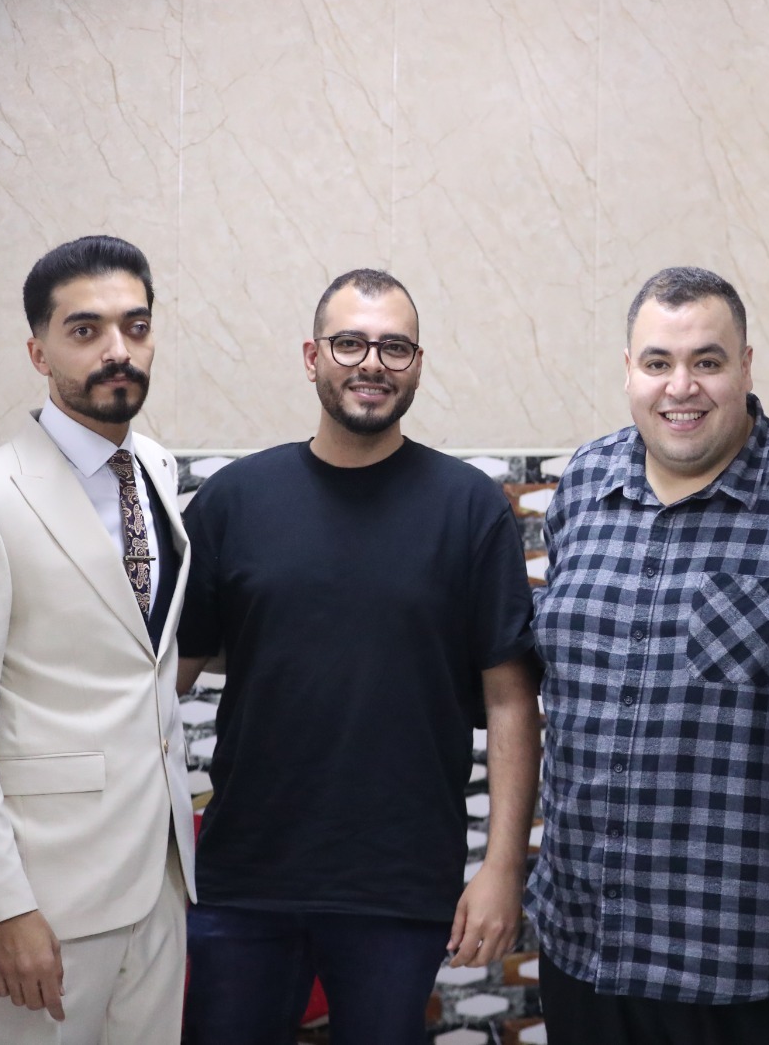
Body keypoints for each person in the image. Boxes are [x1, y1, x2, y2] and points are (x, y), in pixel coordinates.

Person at [176, 269, 540, 1045]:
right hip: (244, 878)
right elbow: (160, 681)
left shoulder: (469, 508)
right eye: (349, 343)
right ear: (312, 357)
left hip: (398, 885)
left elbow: (510, 698)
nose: (372, 363)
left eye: (394, 347)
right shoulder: (235, 501)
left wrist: (503, 867)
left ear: (417, 365)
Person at [527, 266, 769, 1045]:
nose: (681, 387)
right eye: (658, 362)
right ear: (629, 370)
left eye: (707, 362)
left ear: (746, 366)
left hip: (766, 969)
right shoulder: (583, 484)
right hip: (589, 953)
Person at [0, 235, 196, 1042]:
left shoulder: (158, 470)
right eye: (86, 330)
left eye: (135, 327)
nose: (118, 350)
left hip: (162, 878)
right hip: (48, 897)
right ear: (38, 352)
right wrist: (5, 906)